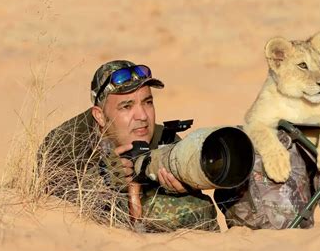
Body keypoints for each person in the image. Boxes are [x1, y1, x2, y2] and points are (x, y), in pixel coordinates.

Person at [38, 60, 218, 232]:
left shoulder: (162, 137)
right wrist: (101, 178)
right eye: (126, 106)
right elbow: (46, 206)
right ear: (99, 116)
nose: (142, 116)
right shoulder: (66, 142)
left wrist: (185, 186)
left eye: (148, 102)